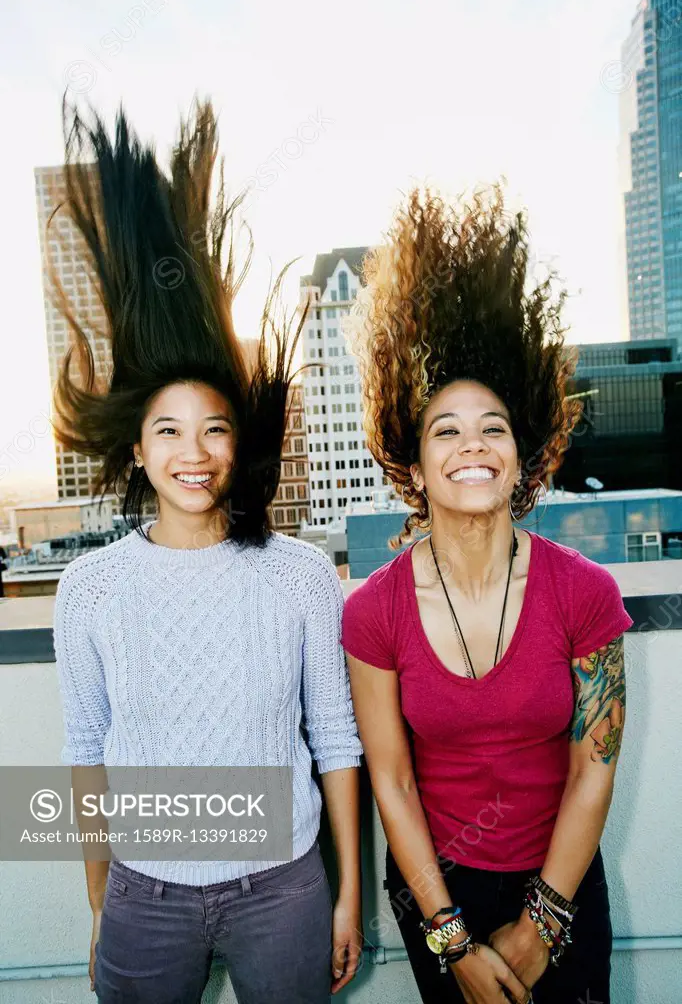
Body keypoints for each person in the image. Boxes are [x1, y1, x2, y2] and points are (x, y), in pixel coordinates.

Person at [50, 99, 363, 1004]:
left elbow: (336, 740)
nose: (195, 453)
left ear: (239, 444)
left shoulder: (301, 573)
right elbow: (85, 750)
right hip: (146, 893)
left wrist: (343, 896)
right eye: (170, 432)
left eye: (214, 430)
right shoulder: (90, 588)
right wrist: (104, 898)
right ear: (137, 450)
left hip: (284, 888)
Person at [341, 188, 632, 1004]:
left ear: (522, 451)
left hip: (566, 885)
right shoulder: (372, 612)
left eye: (494, 426)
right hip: (441, 894)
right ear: (413, 459)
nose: (472, 442)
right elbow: (391, 785)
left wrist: (544, 923)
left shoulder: (586, 594)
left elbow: (593, 771)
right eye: (446, 428)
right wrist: (451, 939)